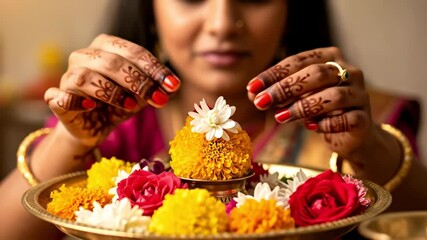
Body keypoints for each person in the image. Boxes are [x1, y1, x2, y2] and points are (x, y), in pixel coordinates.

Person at [1, 0, 426, 239]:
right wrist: (71, 140)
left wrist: (366, 143)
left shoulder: (351, 117)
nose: (223, 24)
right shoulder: (112, 115)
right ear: (150, 9)